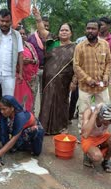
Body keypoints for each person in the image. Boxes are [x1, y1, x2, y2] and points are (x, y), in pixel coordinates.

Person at [32, 7, 77, 135]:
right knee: (46, 101)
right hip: (48, 79)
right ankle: (45, 127)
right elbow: (41, 30)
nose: (63, 32)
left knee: (62, 102)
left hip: (64, 82)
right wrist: (38, 17)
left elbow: (77, 66)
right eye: (62, 30)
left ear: (71, 33)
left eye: (66, 30)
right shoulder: (53, 41)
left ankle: (60, 126)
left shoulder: (75, 48)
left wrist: (74, 81)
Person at [73, 19, 111, 134]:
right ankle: (83, 133)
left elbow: (109, 62)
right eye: (88, 28)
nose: (90, 31)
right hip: (85, 87)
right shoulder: (80, 46)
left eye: (93, 28)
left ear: (99, 30)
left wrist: (106, 76)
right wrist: (88, 79)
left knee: (104, 110)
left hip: (102, 86)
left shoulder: (105, 44)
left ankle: (102, 133)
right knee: (83, 111)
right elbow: (76, 66)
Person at [0, 9, 24, 120]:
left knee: (8, 102)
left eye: (7, 21)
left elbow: (20, 54)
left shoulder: (16, 35)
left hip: (9, 74)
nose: (4, 24)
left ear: (11, 21)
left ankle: (7, 126)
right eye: (2, 21)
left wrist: (20, 73)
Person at [14, 26, 39, 112]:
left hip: (31, 79)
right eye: (20, 34)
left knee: (30, 100)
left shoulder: (30, 46)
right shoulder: (13, 46)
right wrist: (20, 61)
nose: (22, 35)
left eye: (24, 34)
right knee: (19, 100)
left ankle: (30, 118)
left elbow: (36, 60)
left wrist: (30, 61)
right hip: (19, 78)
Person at [27, 16, 49, 100]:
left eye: (47, 26)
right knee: (32, 94)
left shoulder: (50, 38)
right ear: (38, 25)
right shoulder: (31, 39)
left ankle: (43, 113)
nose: (45, 28)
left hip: (46, 70)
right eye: (44, 25)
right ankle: (31, 112)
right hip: (34, 70)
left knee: (44, 94)